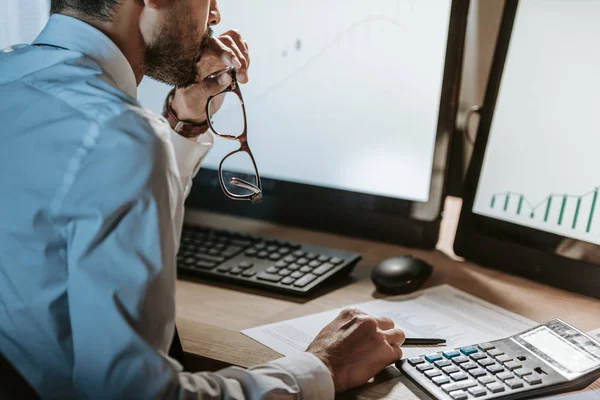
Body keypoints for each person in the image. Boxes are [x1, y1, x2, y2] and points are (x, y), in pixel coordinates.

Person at [0, 0, 407, 399]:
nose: (214, 15)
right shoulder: (119, 137)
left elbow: (88, 201)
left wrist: (187, 120)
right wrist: (322, 368)